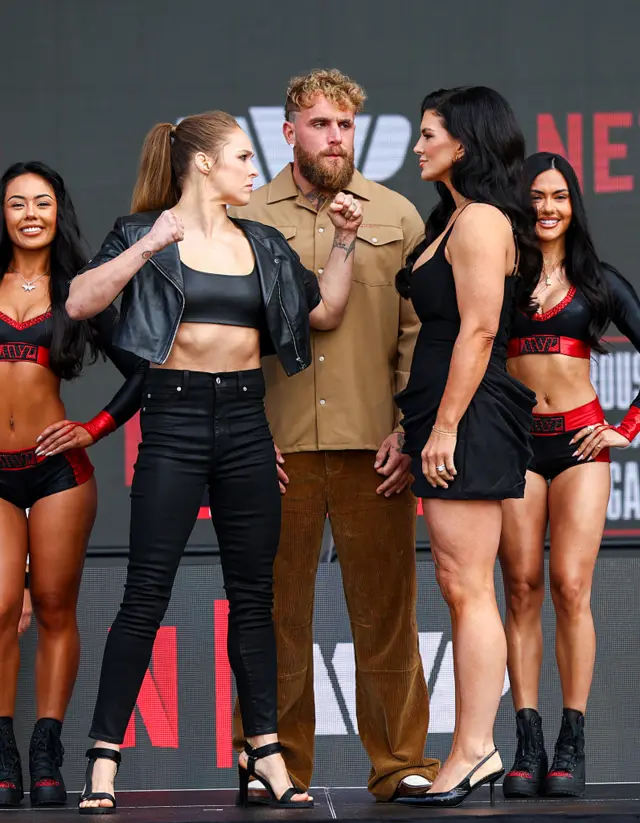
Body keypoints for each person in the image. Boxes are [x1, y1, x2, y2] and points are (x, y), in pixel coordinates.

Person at [64, 110, 362, 814]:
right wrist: (148, 247)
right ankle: (103, 757)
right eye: (241, 157)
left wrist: (346, 241)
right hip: (172, 419)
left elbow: (323, 311)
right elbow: (79, 300)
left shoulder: (260, 240)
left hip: (245, 423)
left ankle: (265, 751)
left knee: (253, 598)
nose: (252, 170)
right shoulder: (142, 233)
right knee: (145, 595)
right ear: (202, 164)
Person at [229, 68, 439, 803]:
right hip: (273, 447)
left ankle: (402, 762)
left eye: (345, 126)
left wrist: (410, 428)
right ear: (287, 132)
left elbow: (420, 333)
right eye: (319, 125)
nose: (334, 138)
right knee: (273, 615)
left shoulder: (398, 215)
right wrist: (247, 436)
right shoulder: (245, 215)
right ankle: (273, 765)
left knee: (388, 615)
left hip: (374, 447)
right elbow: (225, 336)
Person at [392, 86, 541, 809]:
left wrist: (445, 426)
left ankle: (475, 748)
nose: (417, 145)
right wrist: (412, 426)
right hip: (444, 411)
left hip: (472, 416)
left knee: (467, 583)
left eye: (428, 134)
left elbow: (480, 331)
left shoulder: (480, 219)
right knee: (458, 582)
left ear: (465, 142)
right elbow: (445, 338)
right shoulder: (451, 219)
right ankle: (472, 747)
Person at [0, 161, 146, 808]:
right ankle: (3, 751)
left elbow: (143, 367)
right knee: (2, 604)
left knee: (55, 608)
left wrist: (94, 427)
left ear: (59, 212)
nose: (30, 213)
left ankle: (46, 751)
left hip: (59, 471)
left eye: (42, 202)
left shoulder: (79, 290)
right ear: (2, 215)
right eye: (16, 203)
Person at [499, 151, 640, 799]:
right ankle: (526, 741)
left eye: (558, 197)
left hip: (582, 445)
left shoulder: (598, 281)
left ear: (572, 203)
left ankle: (571, 740)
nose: (548, 208)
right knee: (522, 586)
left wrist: (627, 427)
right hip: (519, 446)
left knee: (570, 584)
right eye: (536, 198)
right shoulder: (501, 276)